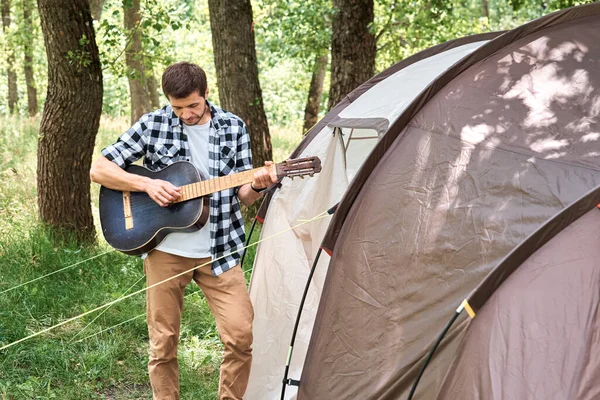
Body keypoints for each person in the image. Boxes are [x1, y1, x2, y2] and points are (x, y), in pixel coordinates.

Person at [90, 61, 277, 400]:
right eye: (178, 108)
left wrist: (260, 186)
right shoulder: (154, 123)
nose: (186, 114)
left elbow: (244, 198)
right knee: (163, 343)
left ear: (205, 94)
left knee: (241, 336)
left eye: (192, 105)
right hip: (165, 250)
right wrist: (146, 184)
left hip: (220, 249)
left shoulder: (233, 127)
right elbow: (99, 168)